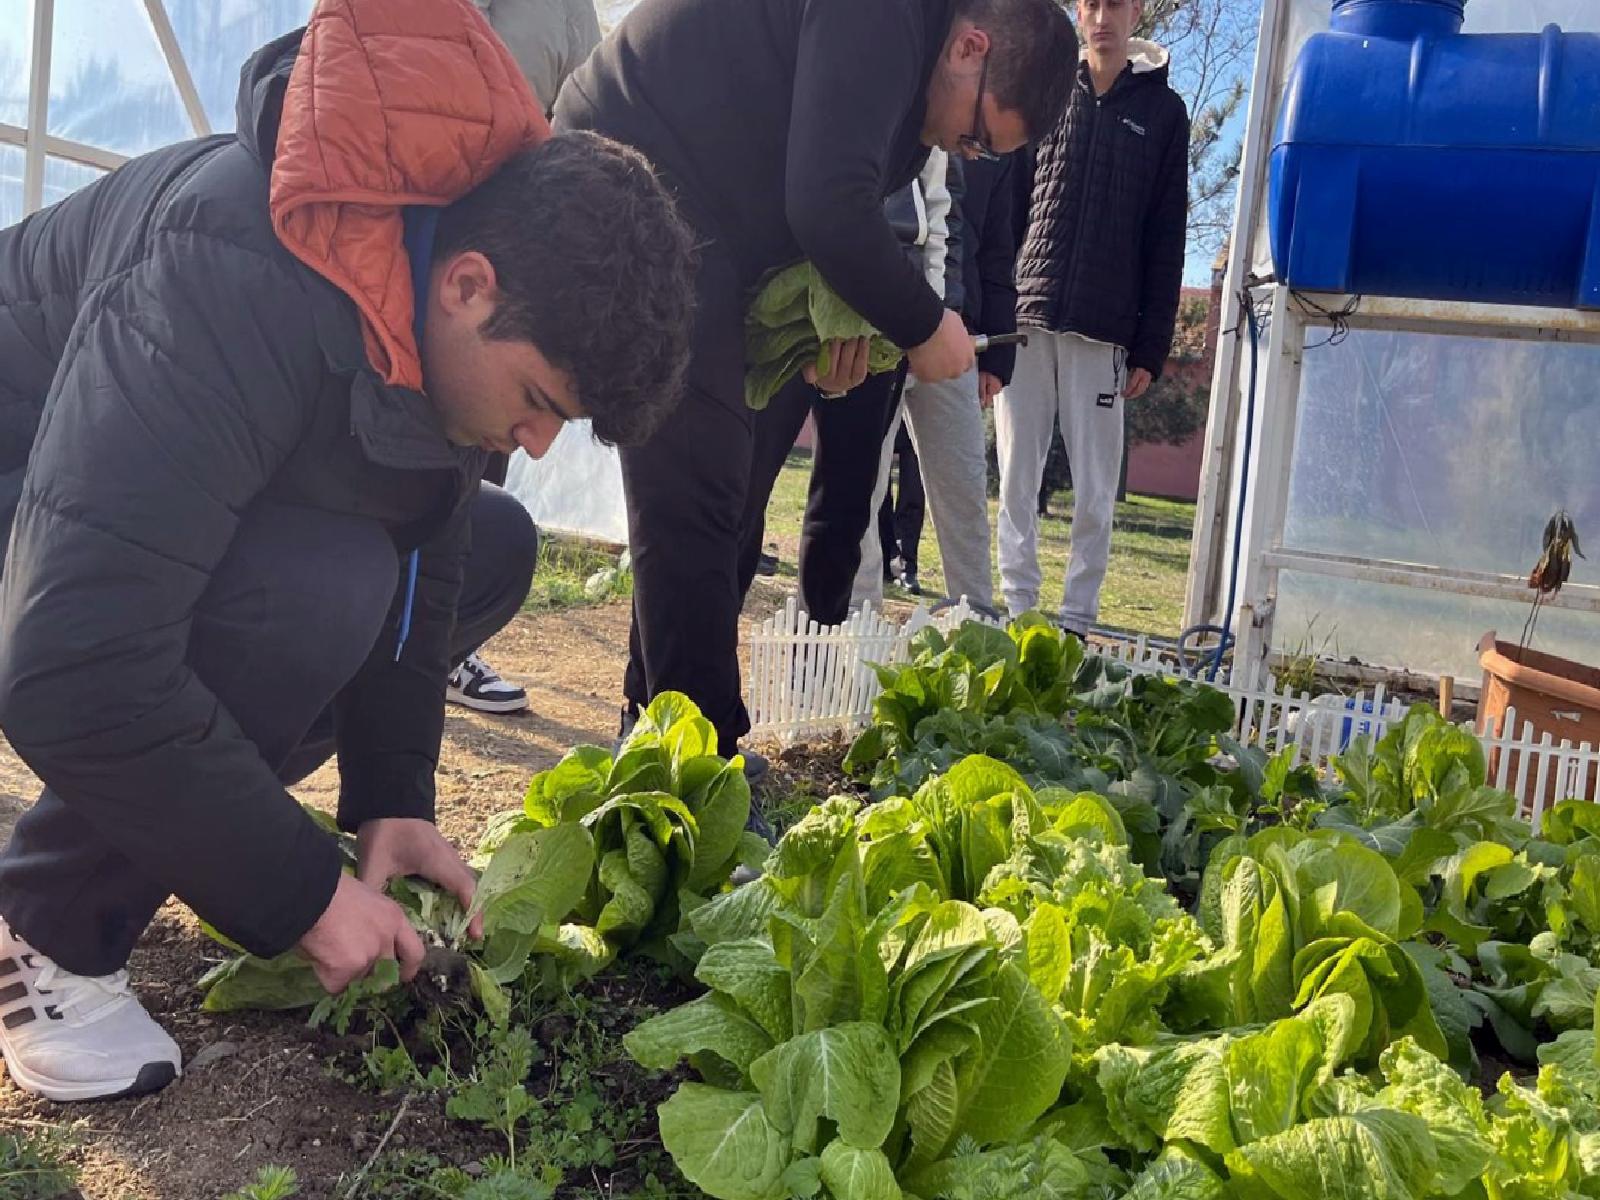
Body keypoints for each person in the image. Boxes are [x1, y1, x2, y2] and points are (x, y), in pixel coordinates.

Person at [0, 0, 694, 1102]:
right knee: (317, 593)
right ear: (469, 284)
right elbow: (71, 656)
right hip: (32, 507)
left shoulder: (418, 282)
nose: (534, 439)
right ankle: (43, 930)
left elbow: (429, 555)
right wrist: (301, 898)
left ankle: (158, 818)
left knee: (491, 543)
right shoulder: (231, 265)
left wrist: (394, 794)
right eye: (538, 401)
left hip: (106, 531)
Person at [554, 0, 1078, 775]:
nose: (964, 153)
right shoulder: (890, 14)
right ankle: (702, 763)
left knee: (729, 484)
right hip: (633, 164)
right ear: (970, 47)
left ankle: (658, 725)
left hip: (718, 214)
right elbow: (827, 200)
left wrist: (829, 332)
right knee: (696, 478)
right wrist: (923, 324)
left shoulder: (913, 89)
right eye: (977, 135)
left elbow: (821, 212)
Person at [996, 0, 1188, 635]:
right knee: (1015, 475)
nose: (1103, 15)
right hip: (1027, 316)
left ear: (1137, 11)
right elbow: (1009, 205)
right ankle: (1018, 611)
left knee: (1095, 492)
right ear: (1080, 10)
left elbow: (1167, 236)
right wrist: (996, 306)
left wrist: (1150, 346)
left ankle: (1077, 621)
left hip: (1105, 329)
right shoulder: (1048, 90)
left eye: (1117, 3)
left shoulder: (1164, 113)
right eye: (1092, 3)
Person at [449, 0, 607, 715]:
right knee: (435, 454)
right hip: (457, 223)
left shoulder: (577, 13)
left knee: (497, 448)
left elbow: (588, 118)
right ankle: (404, 639)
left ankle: (446, 644)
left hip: (526, 237)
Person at [737, 151, 955, 629]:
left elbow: (933, 209)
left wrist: (926, 318)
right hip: (782, 289)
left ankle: (815, 660)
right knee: (742, 489)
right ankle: (677, 676)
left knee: (846, 502)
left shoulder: (930, 96)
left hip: (881, 306)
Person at [855, 148, 1022, 615]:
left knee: (964, 484)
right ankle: (855, 619)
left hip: (954, 331)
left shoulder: (1001, 142)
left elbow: (997, 248)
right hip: (878, 320)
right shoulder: (898, 111)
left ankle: (976, 625)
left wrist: (998, 358)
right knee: (861, 486)